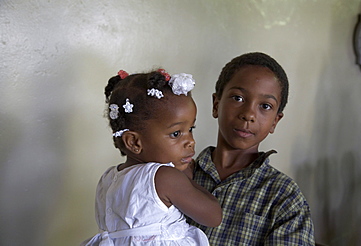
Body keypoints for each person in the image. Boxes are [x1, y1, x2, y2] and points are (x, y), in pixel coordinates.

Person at [81, 69, 222, 246]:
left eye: (191, 129)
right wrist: (185, 175)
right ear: (133, 142)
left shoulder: (108, 178)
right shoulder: (164, 176)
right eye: (176, 133)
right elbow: (213, 216)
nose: (191, 142)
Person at [188, 52, 315, 245]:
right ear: (216, 104)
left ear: (275, 121)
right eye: (238, 98)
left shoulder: (284, 197)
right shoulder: (178, 174)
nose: (248, 114)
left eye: (265, 105)